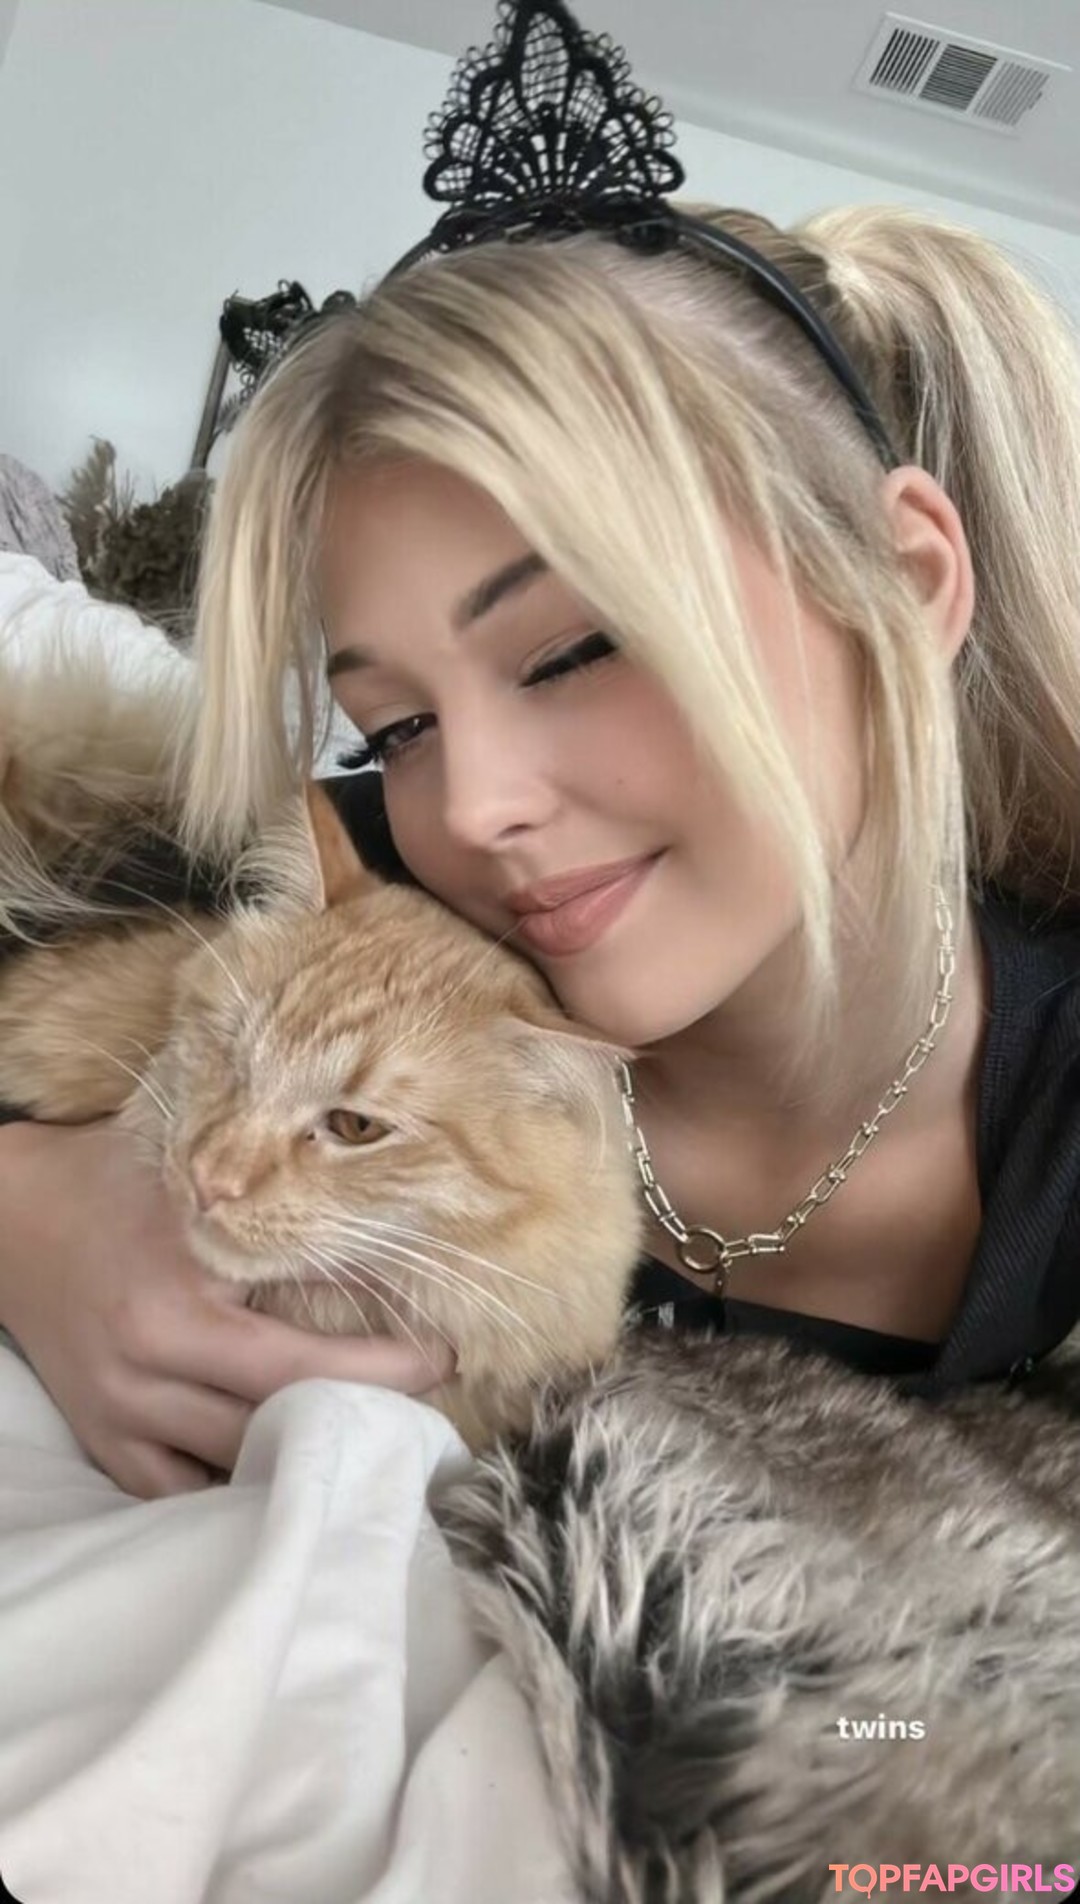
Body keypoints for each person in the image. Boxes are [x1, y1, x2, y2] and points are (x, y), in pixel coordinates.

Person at [4, 0, 1080, 1497]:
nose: (474, 808)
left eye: (576, 651)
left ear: (901, 588)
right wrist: (27, 1212)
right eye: (398, 724)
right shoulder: (353, 893)